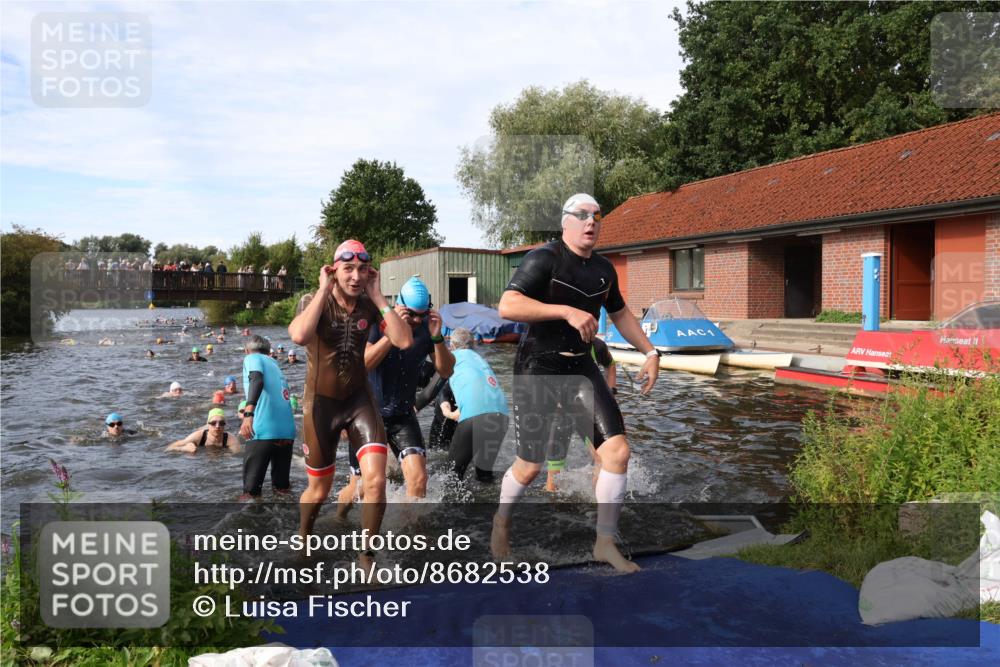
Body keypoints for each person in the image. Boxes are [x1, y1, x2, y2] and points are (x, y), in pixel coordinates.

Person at [490, 193, 660, 573]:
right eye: (582, 215)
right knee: (530, 467)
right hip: (538, 367)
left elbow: (620, 314)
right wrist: (565, 311)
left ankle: (604, 543)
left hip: (581, 369)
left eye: (597, 217)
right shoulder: (544, 258)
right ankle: (501, 520)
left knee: (616, 453)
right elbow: (508, 305)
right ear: (565, 222)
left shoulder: (603, 269)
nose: (591, 222)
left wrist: (650, 352)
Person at [287, 239, 411, 560]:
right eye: (348, 269)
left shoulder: (370, 304)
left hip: (359, 402)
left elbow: (403, 339)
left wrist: (378, 295)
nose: (356, 277)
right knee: (319, 491)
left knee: (376, 481)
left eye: (362, 269)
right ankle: (303, 536)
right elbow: (299, 336)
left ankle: (365, 556)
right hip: (321, 406)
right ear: (333, 271)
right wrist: (322, 290)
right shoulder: (313, 301)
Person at [335, 277, 454, 515]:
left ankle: (407, 536)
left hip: (402, 415)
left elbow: (446, 370)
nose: (417, 320)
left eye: (423, 314)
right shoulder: (376, 324)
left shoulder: (425, 329)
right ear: (399, 307)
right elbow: (363, 364)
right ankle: (338, 517)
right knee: (359, 488)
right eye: (412, 315)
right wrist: (392, 334)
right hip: (368, 415)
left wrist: (437, 337)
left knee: (419, 480)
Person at [544, 336, 617, 492]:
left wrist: (609, 393)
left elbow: (610, 365)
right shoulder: (550, 346)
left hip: (586, 411)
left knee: (602, 459)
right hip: (560, 416)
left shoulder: (597, 346)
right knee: (553, 479)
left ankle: (598, 503)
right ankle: (551, 510)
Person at [438, 328, 507, 482]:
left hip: (476, 416)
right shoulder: (480, 360)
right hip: (502, 417)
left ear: (452, 346)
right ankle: (492, 505)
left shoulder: (452, 358)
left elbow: (439, 388)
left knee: (451, 476)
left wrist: (449, 413)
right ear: (474, 345)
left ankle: (450, 507)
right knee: (484, 474)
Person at [239, 335, 297, 499]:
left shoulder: (252, 358)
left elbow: (256, 380)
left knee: (250, 494)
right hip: (287, 432)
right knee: (282, 490)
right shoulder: (275, 364)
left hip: (264, 429)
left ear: (247, 350)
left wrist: (248, 414)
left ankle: (247, 524)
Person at [166, 408, 240, 453]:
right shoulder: (198, 436)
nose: (217, 426)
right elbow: (169, 448)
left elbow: (237, 455)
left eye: (221, 423)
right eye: (213, 423)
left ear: (225, 425)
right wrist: (183, 448)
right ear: (208, 425)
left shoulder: (230, 440)